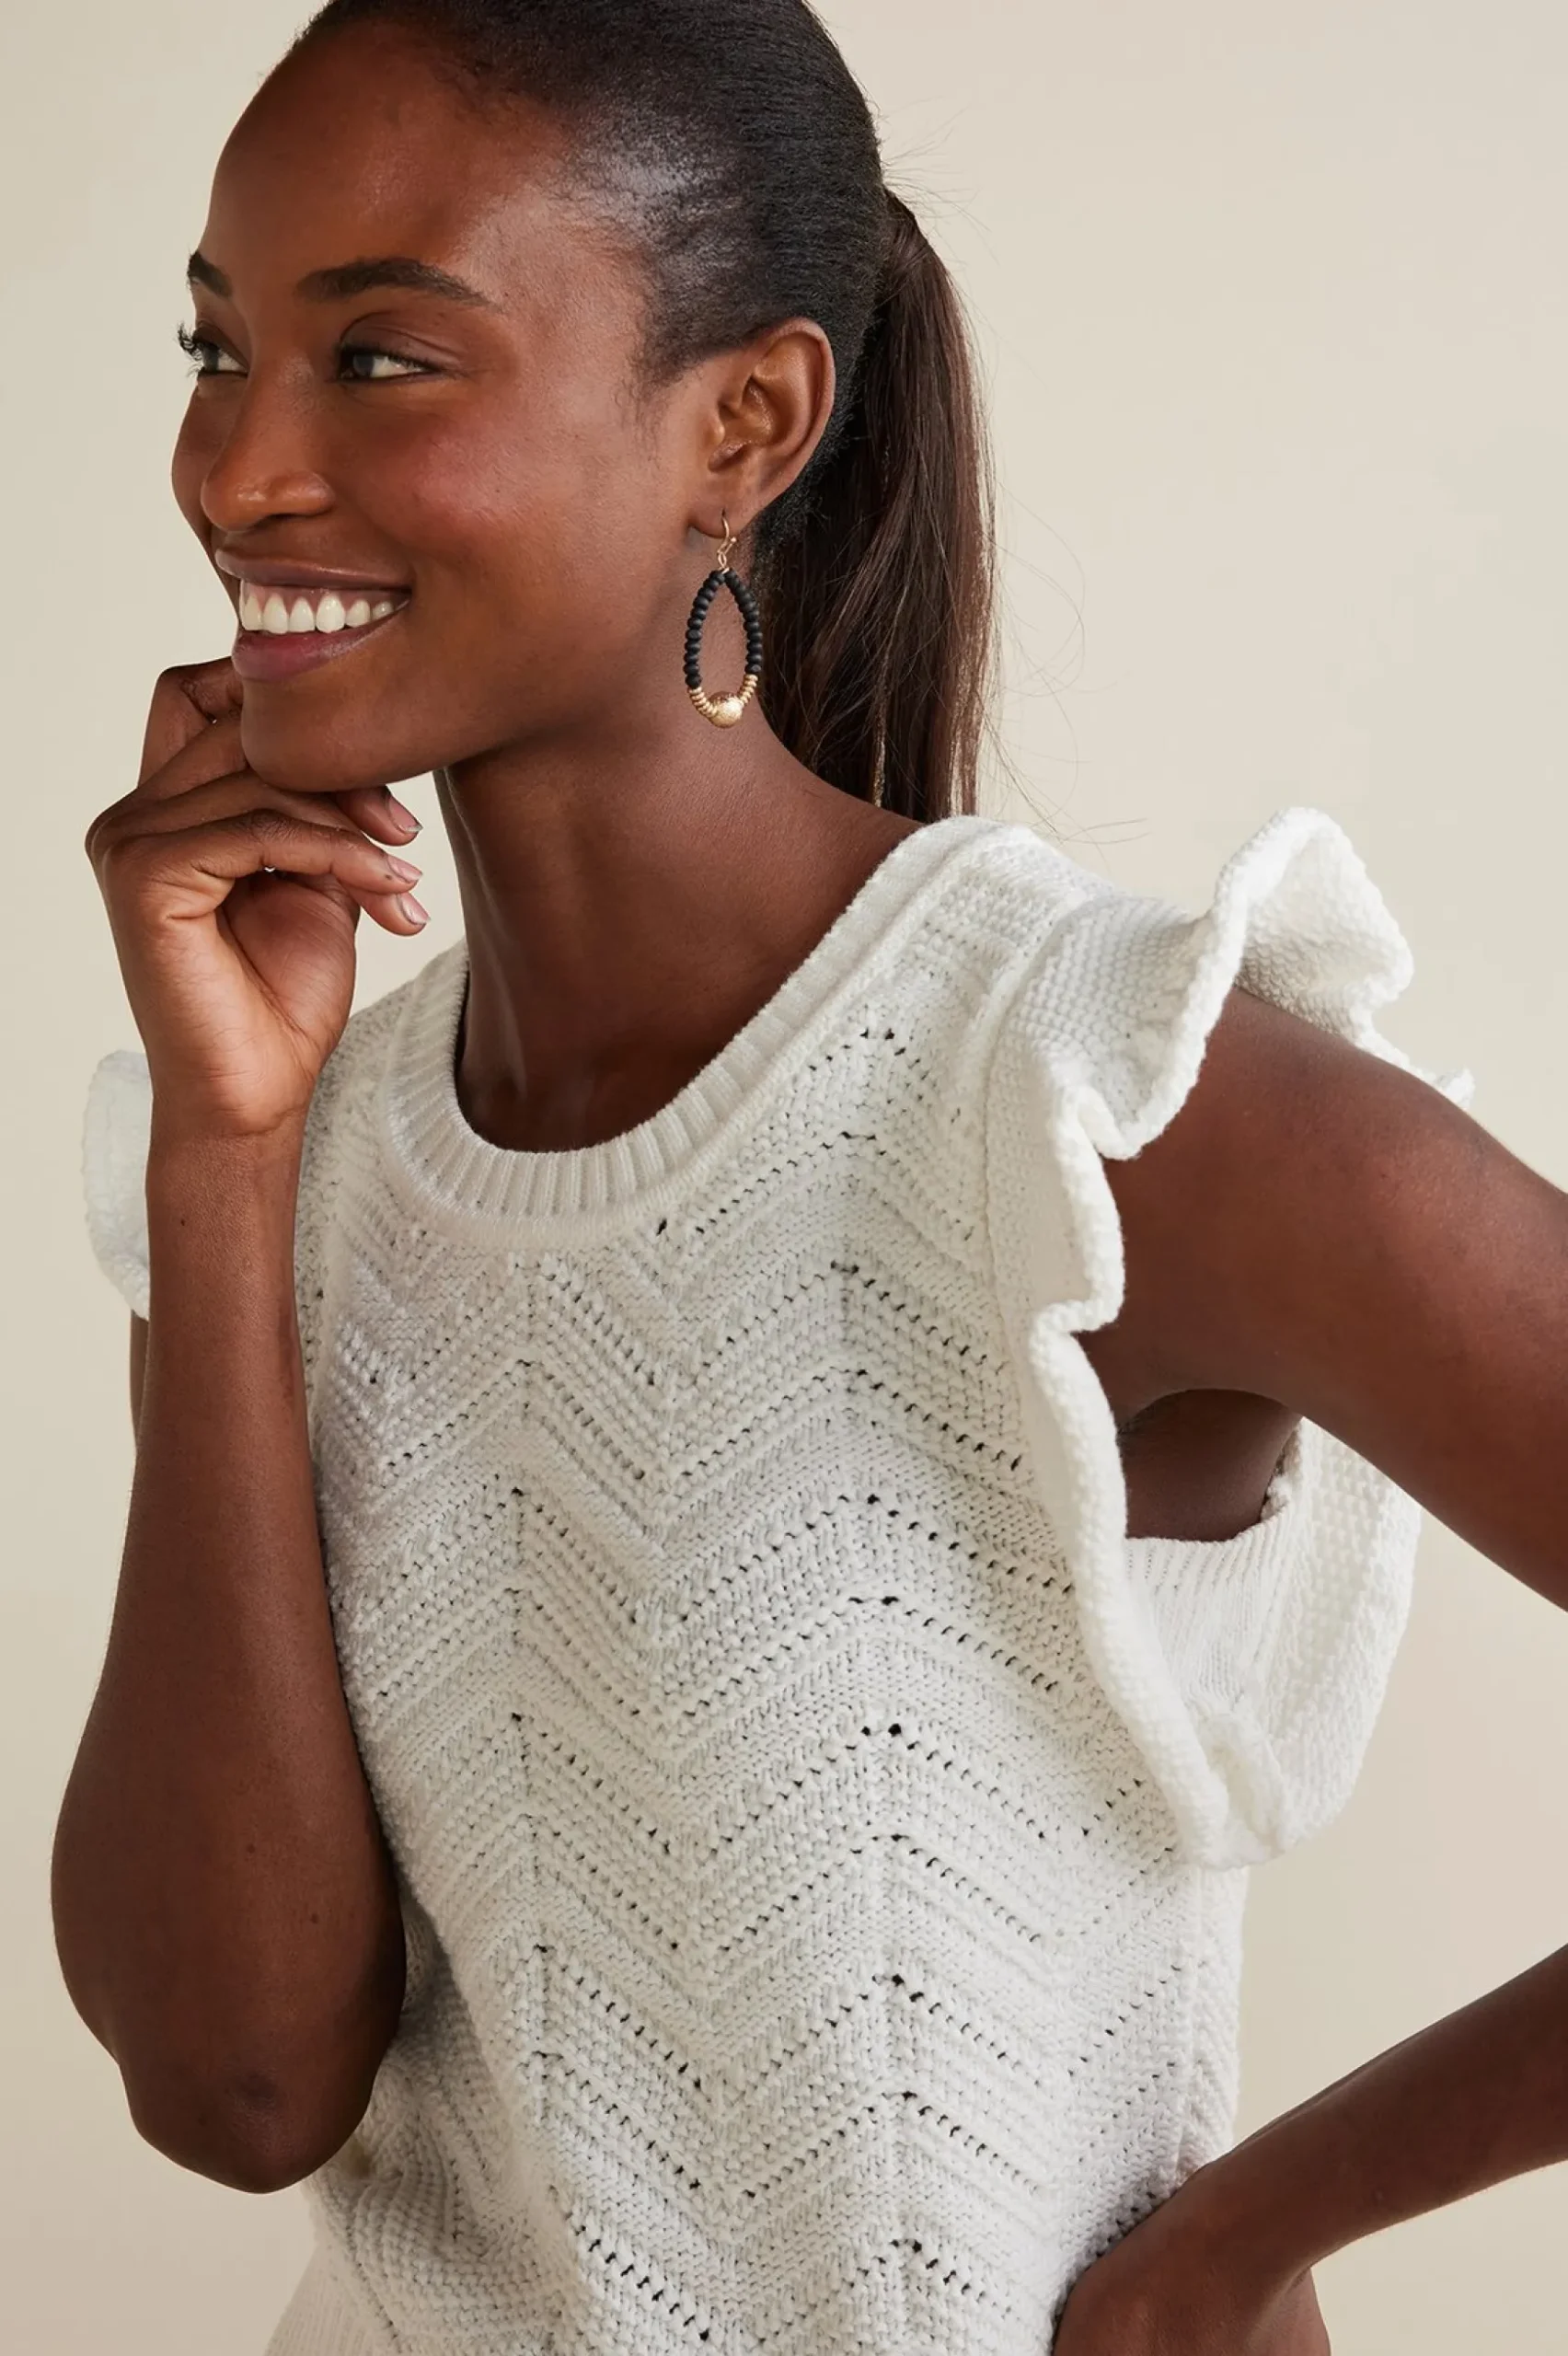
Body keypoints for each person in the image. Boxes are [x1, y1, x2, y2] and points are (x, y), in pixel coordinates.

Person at [52, 4, 1568, 2352]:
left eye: (381, 358)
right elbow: (236, 2079)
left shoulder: (1085, 1099)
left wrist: (1238, 2238)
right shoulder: (292, 1145)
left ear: (743, 426)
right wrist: (225, 1163)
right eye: (216, 346)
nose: (239, 467)